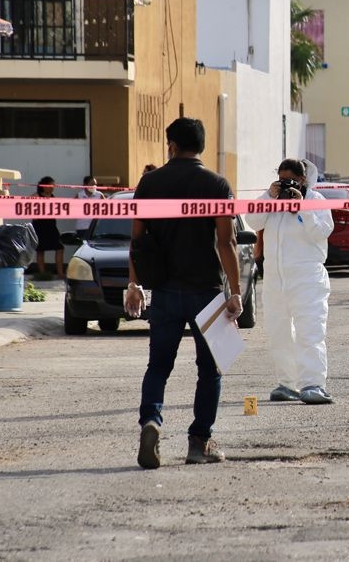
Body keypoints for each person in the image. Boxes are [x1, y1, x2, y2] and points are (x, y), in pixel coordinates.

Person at [125, 117, 243, 469]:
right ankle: (199, 442)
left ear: (171, 146)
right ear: (200, 146)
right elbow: (227, 241)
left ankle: (151, 421)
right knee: (210, 370)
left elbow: (137, 241)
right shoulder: (217, 184)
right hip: (206, 292)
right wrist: (235, 292)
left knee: (158, 365)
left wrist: (134, 285)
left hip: (163, 291)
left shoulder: (149, 183)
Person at [246, 159, 336, 404]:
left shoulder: (316, 201)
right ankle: (287, 383)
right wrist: (268, 195)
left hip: (307, 278)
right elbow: (252, 221)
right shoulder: (273, 202)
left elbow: (321, 232)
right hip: (276, 279)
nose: (287, 185)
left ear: (303, 180)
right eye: (281, 179)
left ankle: (313, 384)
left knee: (310, 331)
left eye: (291, 180)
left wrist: (302, 208)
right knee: (279, 333)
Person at [32, 176, 65, 279]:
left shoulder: (53, 197)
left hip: (51, 225)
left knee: (59, 247)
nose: (52, 187)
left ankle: (60, 273)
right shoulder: (36, 196)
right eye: (50, 185)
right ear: (44, 186)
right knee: (40, 250)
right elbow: (33, 213)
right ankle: (42, 273)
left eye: (53, 185)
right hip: (40, 226)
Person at [75, 175, 105, 239]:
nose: (94, 186)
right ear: (85, 185)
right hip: (82, 228)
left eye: (95, 184)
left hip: (96, 228)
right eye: (91, 184)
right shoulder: (79, 196)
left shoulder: (99, 195)